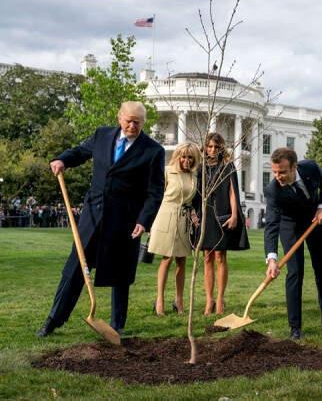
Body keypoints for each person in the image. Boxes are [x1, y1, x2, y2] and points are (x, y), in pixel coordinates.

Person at [37, 101, 165, 337]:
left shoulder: (153, 151)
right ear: (120, 118)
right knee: (75, 268)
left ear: (143, 123)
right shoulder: (102, 135)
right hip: (93, 215)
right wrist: (62, 159)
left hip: (125, 221)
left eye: (138, 122)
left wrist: (143, 220)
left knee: (121, 273)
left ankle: (117, 325)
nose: (132, 125)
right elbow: (80, 152)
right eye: (129, 120)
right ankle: (53, 319)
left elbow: (155, 191)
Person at [264, 147, 322, 340]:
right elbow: (272, 225)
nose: (278, 176)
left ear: (294, 167)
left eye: (282, 171)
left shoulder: (311, 168)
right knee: (295, 273)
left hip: (316, 221)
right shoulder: (273, 190)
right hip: (290, 226)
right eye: (274, 172)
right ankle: (295, 327)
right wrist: (272, 258)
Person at [192, 133, 249, 316]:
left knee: (220, 257)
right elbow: (195, 194)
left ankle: (220, 299)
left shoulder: (227, 166)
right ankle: (209, 299)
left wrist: (234, 215)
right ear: (205, 147)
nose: (212, 150)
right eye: (209, 146)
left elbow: (233, 192)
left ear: (221, 148)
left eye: (216, 147)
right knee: (207, 257)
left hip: (223, 213)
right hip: (205, 215)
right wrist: (194, 214)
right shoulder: (199, 168)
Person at [148, 142, 200, 316]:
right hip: (166, 216)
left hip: (184, 220)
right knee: (167, 258)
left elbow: (190, 201)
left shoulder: (194, 176)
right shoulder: (167, 171)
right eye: (184, 156)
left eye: (190, 157)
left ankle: (179, 300)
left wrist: (193, 215)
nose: (186, 160)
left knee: (182, 260)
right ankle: (160, 300)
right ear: (178, 156)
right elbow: (156, 195)